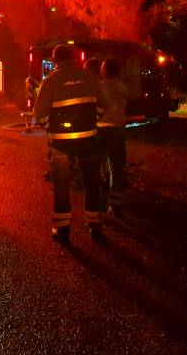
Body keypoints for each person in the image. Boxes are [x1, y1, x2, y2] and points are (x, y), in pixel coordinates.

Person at [33, 44, 109, 244]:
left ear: (55, 60)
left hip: (61, 143)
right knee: (92, 183)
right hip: (88, 139)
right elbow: (104, 103)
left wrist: (53, 128)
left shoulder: (49, 81)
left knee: (62, 185)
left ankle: (63, 230)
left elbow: (39, 114)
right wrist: (92, 120)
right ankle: (95, 226)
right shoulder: (90, 77)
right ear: (73, 58)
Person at [98, 58, 128, 218]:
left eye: (102, 68)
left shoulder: (100, 87)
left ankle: (101, 203)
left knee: (100, 168)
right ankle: (116, 205)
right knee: (117, 168)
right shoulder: (123, 88)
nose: (101, 71)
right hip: (118, 130)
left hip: (102, 130)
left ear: (106, 71)